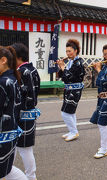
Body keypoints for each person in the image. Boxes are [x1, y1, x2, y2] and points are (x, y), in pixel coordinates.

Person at [11, 43, 40, 180]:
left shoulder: (22, 71)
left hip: (23, 114)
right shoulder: (32, 69)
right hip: (29, 113)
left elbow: (25, 95)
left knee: (24, 148)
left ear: (19, 57)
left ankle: (30, 176)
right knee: (21, 147)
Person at [0, 46, 28, 180]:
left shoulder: (3, 82)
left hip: (4, 133)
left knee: (6, 170)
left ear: (3, 60)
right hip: (10, 130)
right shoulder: (12, 79)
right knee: (7, 170)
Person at [57, 39, 85, 142]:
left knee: (65, 112)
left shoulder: (78, 63)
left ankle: (74, 132)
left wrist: (63, 67)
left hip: (75, 90)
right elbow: (61, 76)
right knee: (71, 112)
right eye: (67, 51)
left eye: (70, 51)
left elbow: (70, 77)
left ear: (76, 51)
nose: (68, 53)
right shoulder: (71, 62)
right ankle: (72, 130)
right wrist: (61, 66)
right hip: (69, 90)